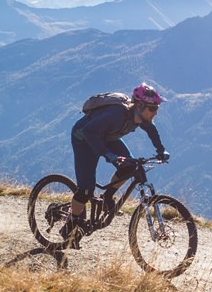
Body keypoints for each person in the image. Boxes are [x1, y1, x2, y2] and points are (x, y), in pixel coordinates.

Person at [63, 82, 170, 246]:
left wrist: (161, 150)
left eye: (157, 108)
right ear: (139, 105)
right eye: (152, 108)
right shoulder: (117, 113)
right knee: (85, 191)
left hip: (107, 137)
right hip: (84, 139)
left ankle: (107, 196)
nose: (155, 112)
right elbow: (89, 132)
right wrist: (107, 154)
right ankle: (71, 222)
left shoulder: (142, 117)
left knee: (130, 166)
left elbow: (152, 130)